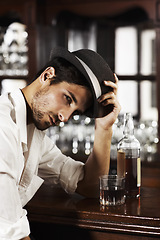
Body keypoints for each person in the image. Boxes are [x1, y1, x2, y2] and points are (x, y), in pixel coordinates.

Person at [0, 47, 121, 240]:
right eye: (67, 98)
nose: (65, 117)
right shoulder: (3, 127)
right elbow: (9, 232)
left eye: (75, 112)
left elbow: (87, 185)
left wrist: (105, 128)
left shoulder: (34, 134)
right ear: (47, 75)